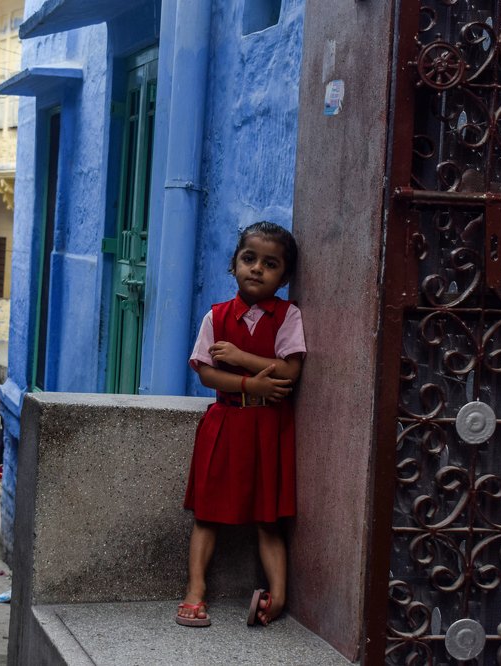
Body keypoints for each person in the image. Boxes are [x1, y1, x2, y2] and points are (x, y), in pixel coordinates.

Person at [176, 221, 306, 628]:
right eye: (248, 259)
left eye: (270, 264)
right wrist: (253, 383)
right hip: (225, 423)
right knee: (207, 513)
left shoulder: (288, 315)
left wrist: (241, 357)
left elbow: (290, 371)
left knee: (268, 517)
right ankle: (194, 592)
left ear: (284, 277)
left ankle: (279, 595)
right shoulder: (215, 316)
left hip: (268, 428)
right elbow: (207, 375)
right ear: (233, 265)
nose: (256, 269)